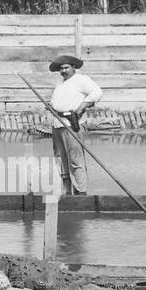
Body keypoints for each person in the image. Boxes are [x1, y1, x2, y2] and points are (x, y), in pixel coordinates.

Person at [45, 54, 103, 195]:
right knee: (60, 159)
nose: (63, 71)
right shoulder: (60, 84)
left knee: (76, 160)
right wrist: (51, 106)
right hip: (57, 124)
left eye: (66, 67)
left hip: (72, 124)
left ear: (73, 67)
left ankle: (80, 192)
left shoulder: (81, 80)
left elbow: (97, 93)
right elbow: (59, 102)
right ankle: (66, 192)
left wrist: (81, 108)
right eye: (61, 69)